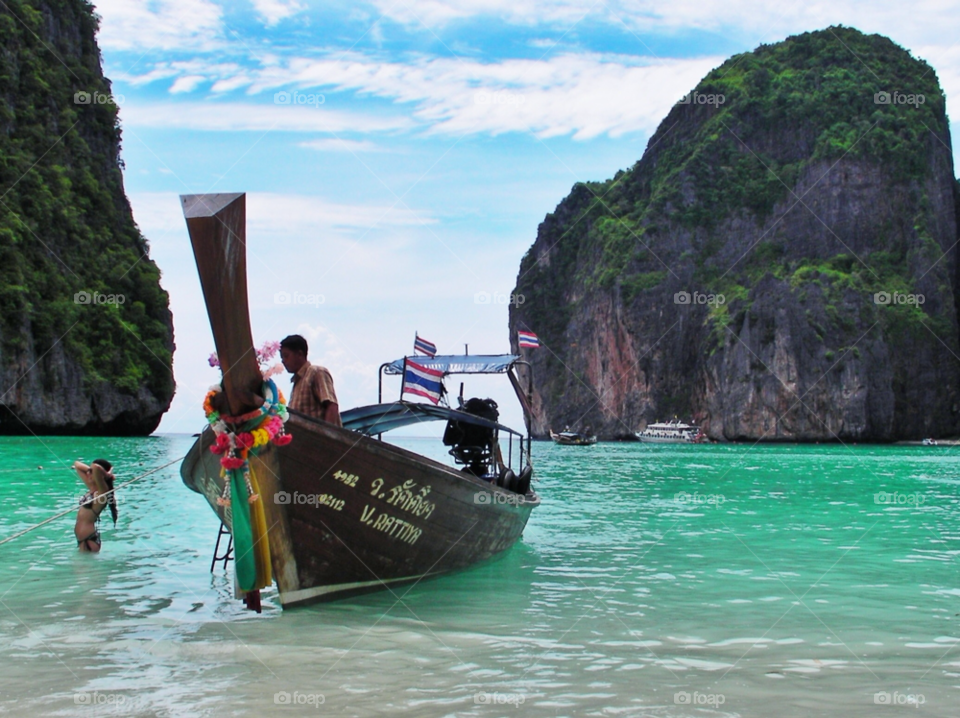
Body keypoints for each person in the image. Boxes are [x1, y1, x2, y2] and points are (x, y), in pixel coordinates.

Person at [280, 334, 342, 427]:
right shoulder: (297, 382)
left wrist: (326, 436)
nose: (283, 361)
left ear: (300, 354)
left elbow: (331, 406)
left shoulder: (317, 372)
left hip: (319, 439)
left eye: (286, 356)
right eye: (282, 357)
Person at [73, 459, 118, 552]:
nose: (88, 473)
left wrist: (107, 474)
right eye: (88, 471)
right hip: (83, 540)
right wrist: (93, 471)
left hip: (89, 540)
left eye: (91, 472)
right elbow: (77, 464)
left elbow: (96, 468)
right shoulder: (92, 488)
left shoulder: (102, 492)